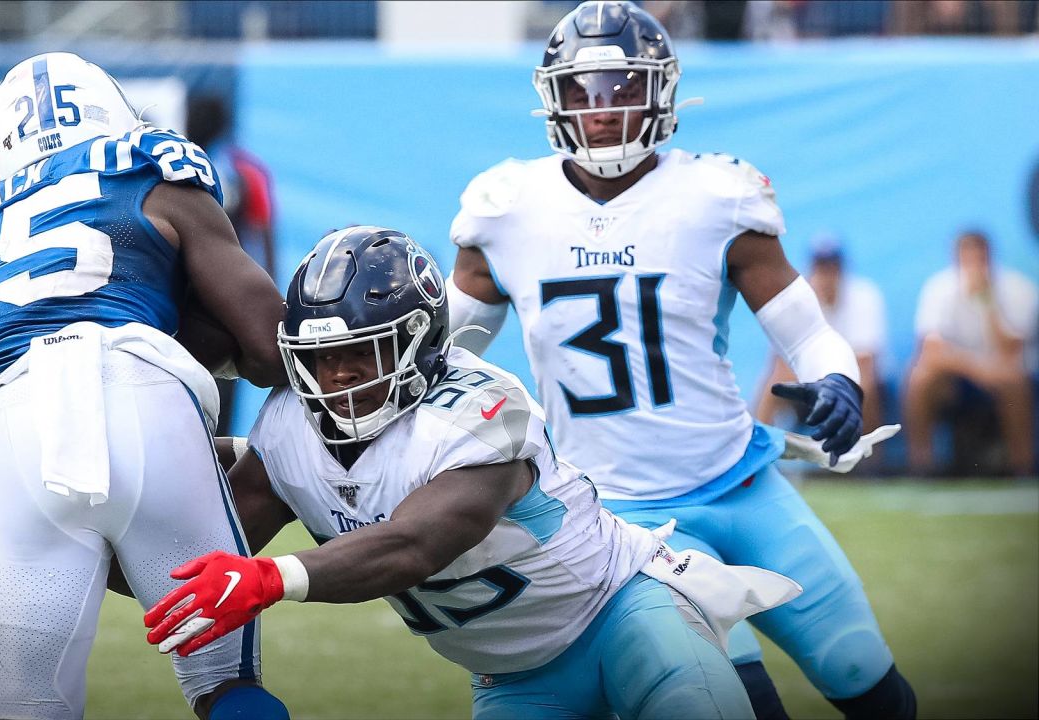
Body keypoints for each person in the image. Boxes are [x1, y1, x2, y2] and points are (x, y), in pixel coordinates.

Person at [444, 2, 916, 718]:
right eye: (583, 91)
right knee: (745, 701)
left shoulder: (715, 196)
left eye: (621, 89)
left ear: (660, 92)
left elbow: (808, 331)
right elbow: (443, 359)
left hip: (743, 484)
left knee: (863, 674)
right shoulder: (507, 209)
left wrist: (839, 379)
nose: (601, 111)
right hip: (625, 519)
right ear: (553, 97)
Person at [143, 227, 803, 720]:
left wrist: (272, 578)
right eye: (320, 357)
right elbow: (207, 550)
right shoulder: (288, 427)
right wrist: (107, 533)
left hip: (624, 615)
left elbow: (415, 544)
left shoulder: (480, 409)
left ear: (423, 341)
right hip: (512, 680)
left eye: (361, 353)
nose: (337, 375)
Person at [0, 52, 289, 719]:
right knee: (228, 686)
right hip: (146, 394)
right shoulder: (146, 167)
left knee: (29, 706)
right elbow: (268, 349)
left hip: (16, 432)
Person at [905, 230, 1037, 477]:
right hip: (959, 376)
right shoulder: (939, 288)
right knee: (921, 379)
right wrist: (979, 369)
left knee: (1014, 380)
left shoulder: (1019, 288)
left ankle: (1022, 465)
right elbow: (931, 350)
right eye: (967, 258)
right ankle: (921, 465)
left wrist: (987, 304)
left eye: (980, 258)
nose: (974, 265)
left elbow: (1011, 350)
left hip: (1003, 374)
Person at [186, 94, 278, 436]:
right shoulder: (244, 169)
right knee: (221, 389)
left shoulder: (165, 168)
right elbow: (265, 235)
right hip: (230, 299)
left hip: (187, 301)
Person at [756, 236, 888, 445]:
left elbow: (866, 360)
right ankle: (757, 451)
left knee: (865, 382)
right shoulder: (797, 299)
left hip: (850, 378)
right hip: (811, 379)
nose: (827, 275)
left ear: (842, 269)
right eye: (822, 267)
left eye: (832, 267)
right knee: (774, 382)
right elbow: (779, 361)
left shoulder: (862, 295)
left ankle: (868, 465)